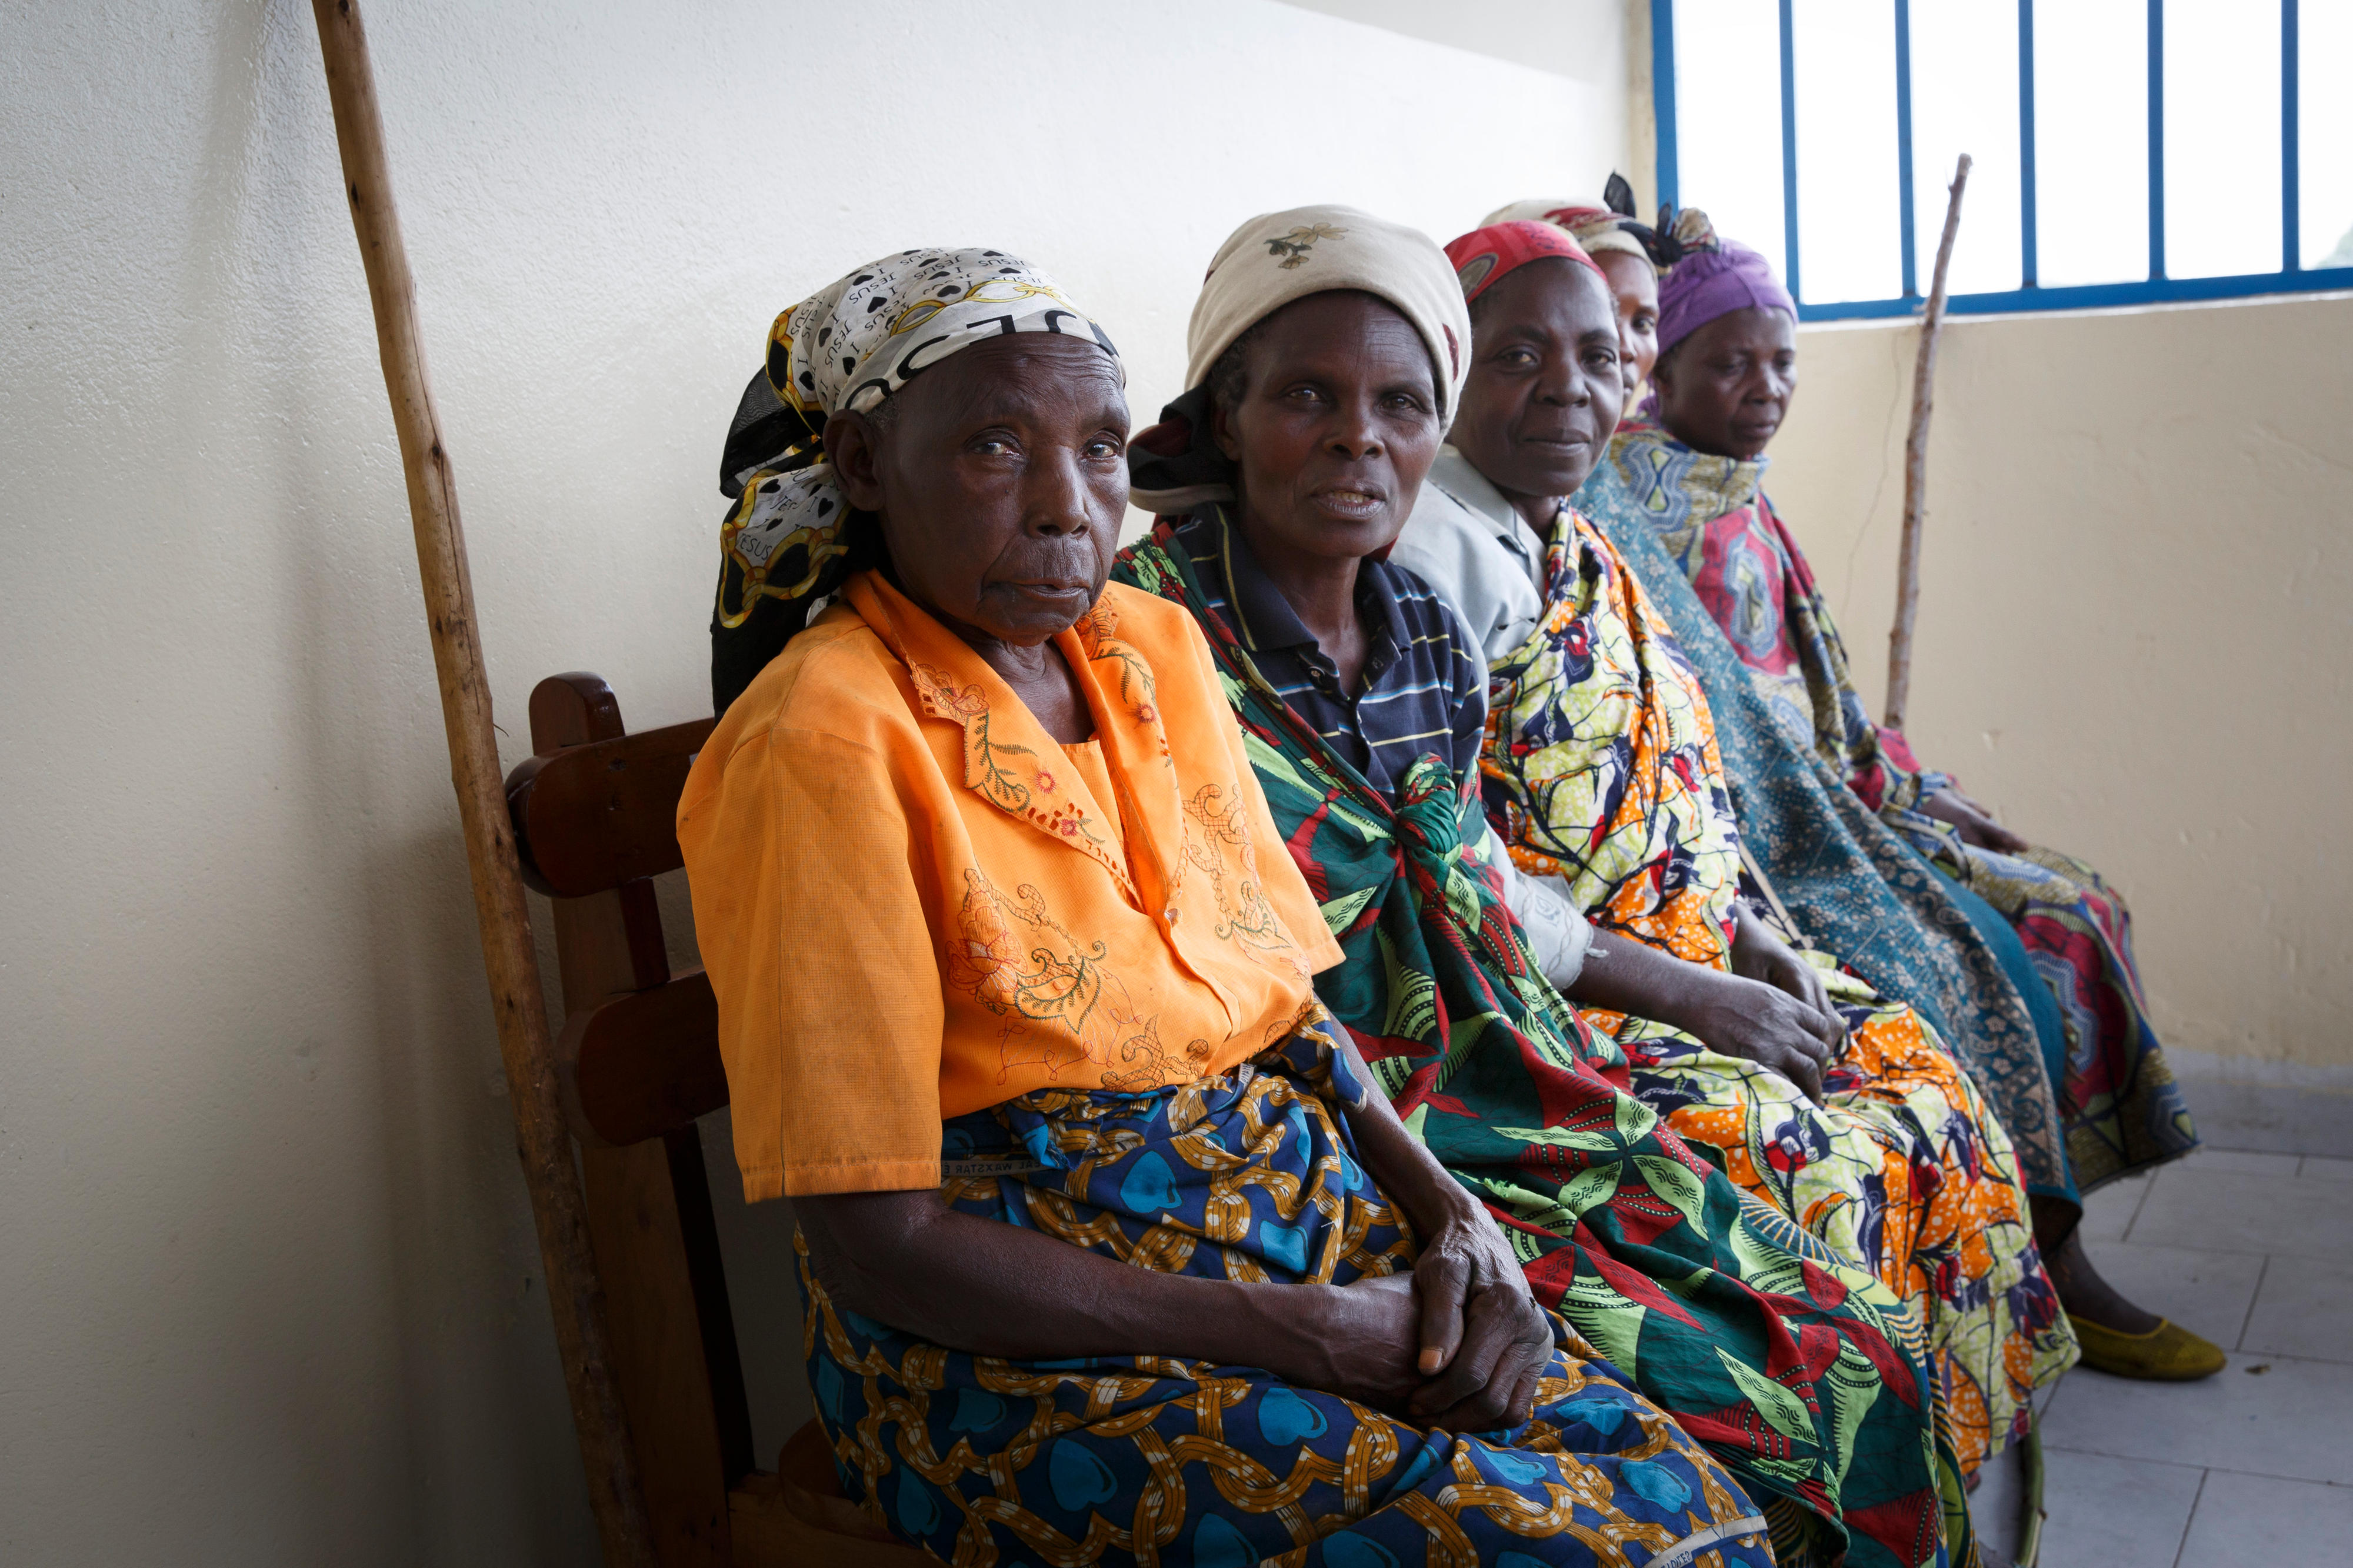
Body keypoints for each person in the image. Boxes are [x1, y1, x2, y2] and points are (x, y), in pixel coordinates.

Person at [682, 246, 1782, 1568]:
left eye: (1096, 449)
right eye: (991, 446)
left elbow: (1284, 1005)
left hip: (1296, 1229)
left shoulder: (1148, 649)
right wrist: (1309, 1332)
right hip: (1022, 1346)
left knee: (1683, 1507)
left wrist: (1454, 1221)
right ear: (864, 467)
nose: (1062, 507)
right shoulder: (823, 737)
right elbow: (879, 1246)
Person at [1118, 206, 1979, 1568]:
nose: (1360, 437)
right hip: (1347, 1140)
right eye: (1305, 397)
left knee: (1842, 1347)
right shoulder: (1143, 653)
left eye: (1401, 402)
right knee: (1733, 1415)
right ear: (1224, 417)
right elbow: (1206, 990)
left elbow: (1471, 901)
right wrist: (1441, 1199)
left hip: (1523, 1082)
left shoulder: (1418, 637)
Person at [1384, 218, 2072, 1486]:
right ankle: (1857, 1475)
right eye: (1516, 354)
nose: (1566, 387)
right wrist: (1695, 989)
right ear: (1444, 373)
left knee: (1927, 1084)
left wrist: (1750, 933)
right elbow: (1450, 859)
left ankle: (1949, 1469)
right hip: (1557, 1004)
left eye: (1597, 357)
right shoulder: (1425, 561)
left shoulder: (1573, 534)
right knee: (1826, 1171)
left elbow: (1671, 762)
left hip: (1695, 949)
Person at [1571, 211, 2217, 1381]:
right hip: (1763, 843)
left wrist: (1910, 787)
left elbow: (1809, 701)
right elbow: (1715, 739)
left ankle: (2036, 1252)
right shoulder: (1630, 508)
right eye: (1726, 361)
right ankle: (2047, 1275)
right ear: (1661, 371)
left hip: (1832, 799)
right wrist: (1853, 810)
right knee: (1980, 959)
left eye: (1781, 361)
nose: (1762, 387)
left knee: (2069, 900)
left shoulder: (1736, 494)